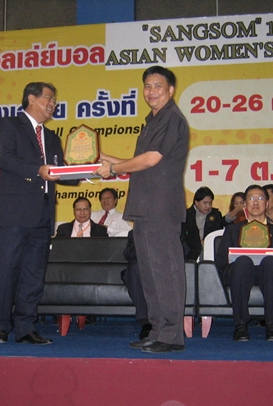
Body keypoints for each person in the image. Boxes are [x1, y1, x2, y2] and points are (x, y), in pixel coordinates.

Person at [96, 65, 189, 353]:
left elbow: (150, 159)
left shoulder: (171, 118)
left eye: (158, 86)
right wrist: (100, 157)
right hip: (145, 207)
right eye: (147, 86)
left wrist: (113, 168)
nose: (151, 91)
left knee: (166, 272)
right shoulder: (152, 120)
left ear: (171, 89)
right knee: (150, 274)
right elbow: (138, 163)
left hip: (160, 207)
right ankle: (158, 330)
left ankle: (171, 336)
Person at [0, 81, 66, 346]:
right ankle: (1, 326)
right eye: (49, 98)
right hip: (14, 214)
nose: (53, 104)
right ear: (31, 98)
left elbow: (60, 172)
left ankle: (25, 327)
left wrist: (89, 169)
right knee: (5, 271)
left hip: (43, 215)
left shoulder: (53, 138)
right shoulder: (9, 125)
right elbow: (5, 158)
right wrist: (38, 169)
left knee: (34, 275)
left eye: (54, 101)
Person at [215, 185, 273, 342]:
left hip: (270, 273)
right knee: (243, 262)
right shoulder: (232, 230)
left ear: (267, 204)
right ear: (245, 204)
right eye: (251, 198)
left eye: (260, 198)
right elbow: (221, 261)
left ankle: (272, 325)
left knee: (270, 262)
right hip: (241, 273)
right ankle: (240, 326)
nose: (255, 202)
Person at [183, 186, 224, 261]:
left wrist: (206, 241)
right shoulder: (186, 215)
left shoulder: (216, 215)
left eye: (210, 203)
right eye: (205, 203)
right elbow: (183, 237)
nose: (208, 206)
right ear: (196, 202)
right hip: (190, 252)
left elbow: (217, 234)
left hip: (210, 250)